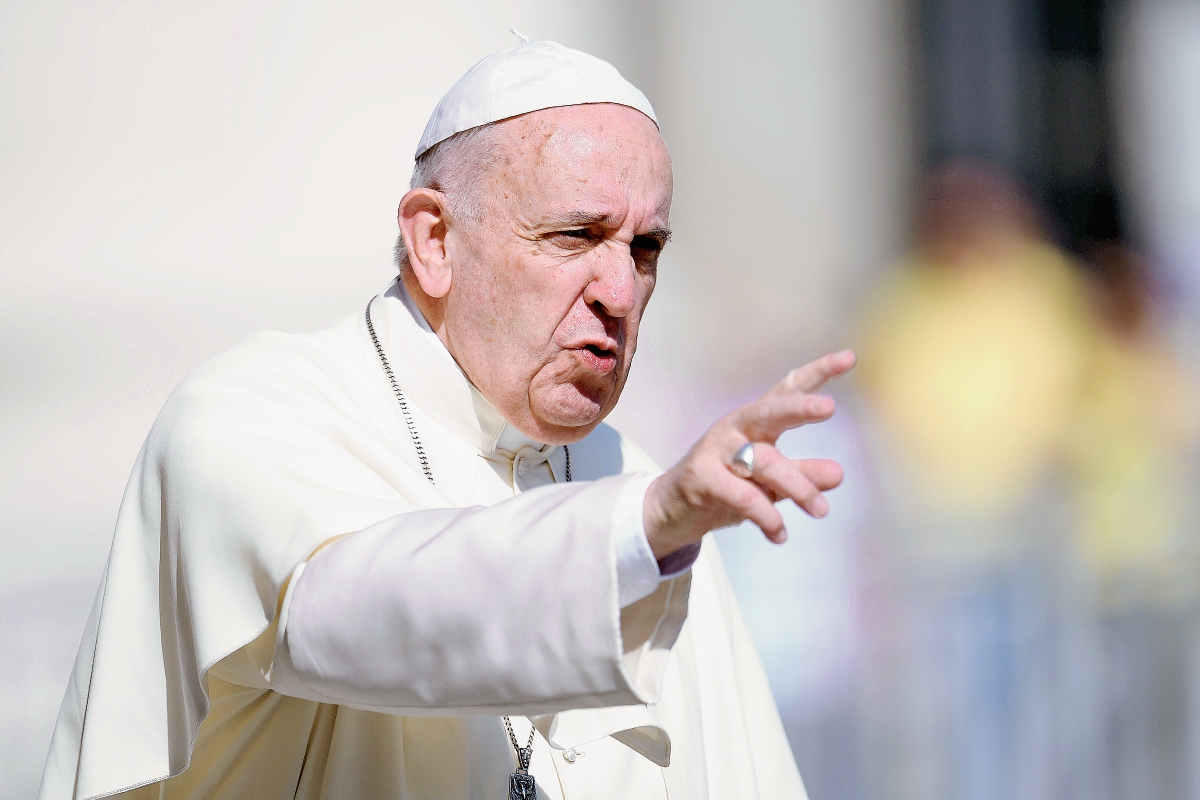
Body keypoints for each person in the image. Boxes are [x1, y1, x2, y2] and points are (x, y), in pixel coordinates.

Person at [39, 41, 853, 800]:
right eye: (576, 235)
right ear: (433, 240)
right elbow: (364, 613)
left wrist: (653, 524)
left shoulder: (648, 494)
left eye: (645, 249)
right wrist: (638, 530)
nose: (620, 291)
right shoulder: (246, 416)